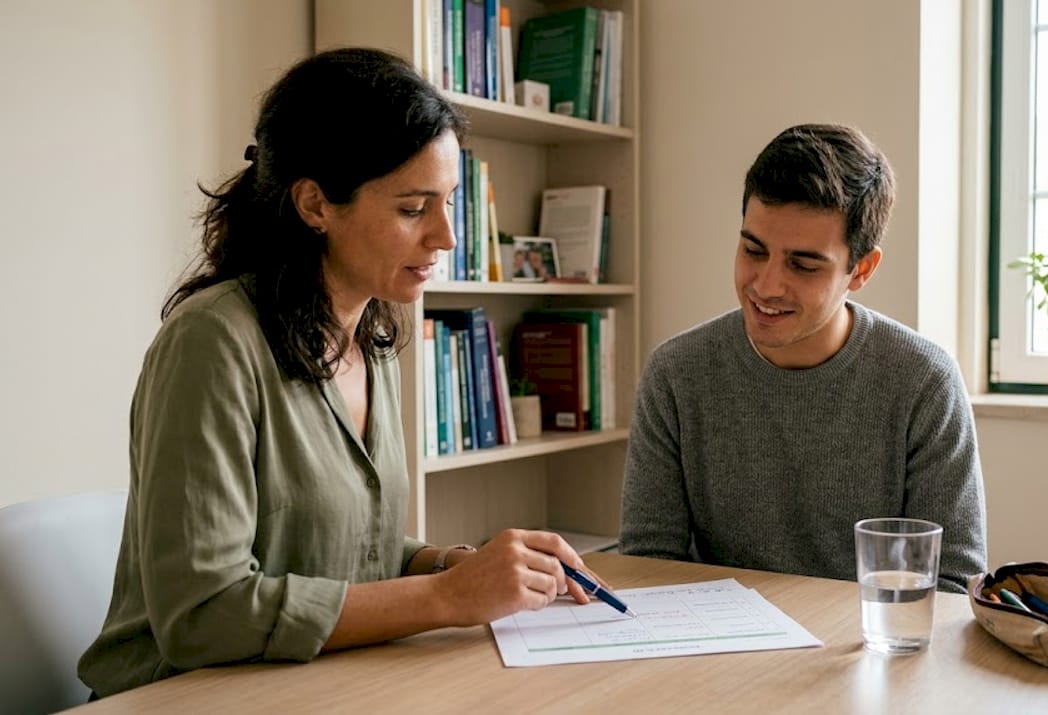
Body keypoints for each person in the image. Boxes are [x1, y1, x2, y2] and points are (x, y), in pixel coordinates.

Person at [78, 48, 597, 698]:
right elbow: (204, 614)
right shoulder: (212, 342)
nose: (445, 237)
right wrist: (446, 596)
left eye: (448, 203)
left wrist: (455, 564)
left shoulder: (372, 341)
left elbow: (348, 548)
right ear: (315, 204)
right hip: (181, 697)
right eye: (414, 209)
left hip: (316, 687)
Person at [619, 124, 986, 593]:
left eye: (804, 265)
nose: (766, 285)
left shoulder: (924, 382)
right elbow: (650, 565)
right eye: (753, 250)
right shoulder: (675, 374)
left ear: (862, 270)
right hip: (717, 638)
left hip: (870, 640)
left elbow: (951, 585)